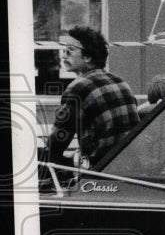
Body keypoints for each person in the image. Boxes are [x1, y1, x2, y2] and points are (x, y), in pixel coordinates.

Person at [40, 26, 139, 173]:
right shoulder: (120, 81)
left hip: (102, 170)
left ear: (87, 57)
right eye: (63, 50)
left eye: (69, 50)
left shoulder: (78, 88)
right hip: (133, 165)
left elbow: (59, 139)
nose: (63, 56)